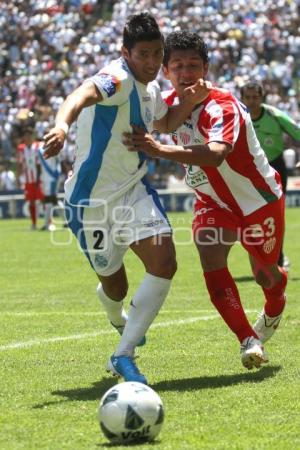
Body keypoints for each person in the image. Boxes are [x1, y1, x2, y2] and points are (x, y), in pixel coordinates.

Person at [43, 13, 209, 385]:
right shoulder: (116, 78)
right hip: (89, 204)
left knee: (164, 260)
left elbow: (163, 125)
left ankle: (123, 353)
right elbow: (80, 94)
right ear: (126, 53)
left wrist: (189, 101)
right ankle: (116, 313)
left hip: (132, 190)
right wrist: (61, 124)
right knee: (115, 286)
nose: (152, 63)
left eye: (157, 54)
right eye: (144, 55)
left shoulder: (149, 90)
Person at [124, 31, 288, 370]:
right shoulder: (169, 104)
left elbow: (215, 155)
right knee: (209, 256)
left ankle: (274, 305)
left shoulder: (222, 105)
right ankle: (248, 340)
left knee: (265, 274)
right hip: (213, 204)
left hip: (258, 202)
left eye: (193, 65)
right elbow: (152, 117)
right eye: (178, 66)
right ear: (166, 71)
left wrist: (160, 150)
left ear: (206, 68)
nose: (186, 73)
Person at [240, 81, 300, 270]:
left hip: (275, 167)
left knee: (276, 214)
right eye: (248, 97)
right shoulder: (236, 115)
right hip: (248, 171)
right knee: (251, 216)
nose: (251, 101)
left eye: (255, 97)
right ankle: (261, 258)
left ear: (262, 97)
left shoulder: (274, 115)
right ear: (242, 98)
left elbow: (297, 132)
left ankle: (278, 259)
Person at [17, 127, 44, 230]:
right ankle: (34, 223)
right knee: (31, 201)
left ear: (33, 136)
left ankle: (48, 222)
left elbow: (40, 164)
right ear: (23, 137)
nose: (27, 138)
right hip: (28, 180)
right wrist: (18, 178)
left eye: (29, 136)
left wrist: (39, 177)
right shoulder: (21, 148)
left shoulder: (38, 146)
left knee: (44, 200)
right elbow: (19, 164)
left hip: (39, 178)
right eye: (26, 136)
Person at [38, 148, 61, 231]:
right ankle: (67, 222)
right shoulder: (41, 150)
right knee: (54, 201)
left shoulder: (55, 148)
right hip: (47, 179)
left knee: (50, 201)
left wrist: (56, 175)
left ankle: (47, 224)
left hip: (51, 179)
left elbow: (58, 162)